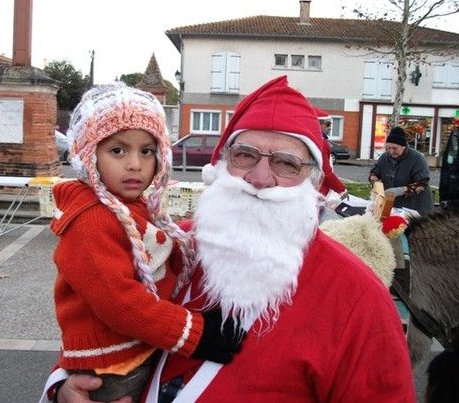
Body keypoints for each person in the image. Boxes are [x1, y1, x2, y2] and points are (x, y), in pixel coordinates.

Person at [52, 76, 415, 402]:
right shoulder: (177, 244)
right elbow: (102, 318)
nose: (259, 178)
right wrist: (65, 388)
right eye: (245, 155)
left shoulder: (358, 297)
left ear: (313, 181)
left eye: (287, 164)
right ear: (222, 164)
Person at [44, 83, 242, 402]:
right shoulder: (91, 221)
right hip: (113, 370)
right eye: (118, 150)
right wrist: (195, 334)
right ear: (88, 156)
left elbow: (161, 252)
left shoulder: (134, 208)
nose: (135, 163)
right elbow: (120, 303)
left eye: (146, 151)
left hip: (134, 352)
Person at [369, 126, 434, 216]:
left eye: (395, 148)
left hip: (415, 208)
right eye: (388, 148)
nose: (391, 151)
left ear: (403, 147)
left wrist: (399, 191)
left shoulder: (417, 158)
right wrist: (376, 185)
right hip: (393, 207)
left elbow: (422, 183)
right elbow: (374, 173)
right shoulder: (384, 157)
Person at [315, 108, 348, 200]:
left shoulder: (313, 140)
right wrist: (341, 189)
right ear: (318, 124)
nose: (330, 128)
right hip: (319, 191)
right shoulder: (321, 142)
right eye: (328, 124)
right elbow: (325, 171)